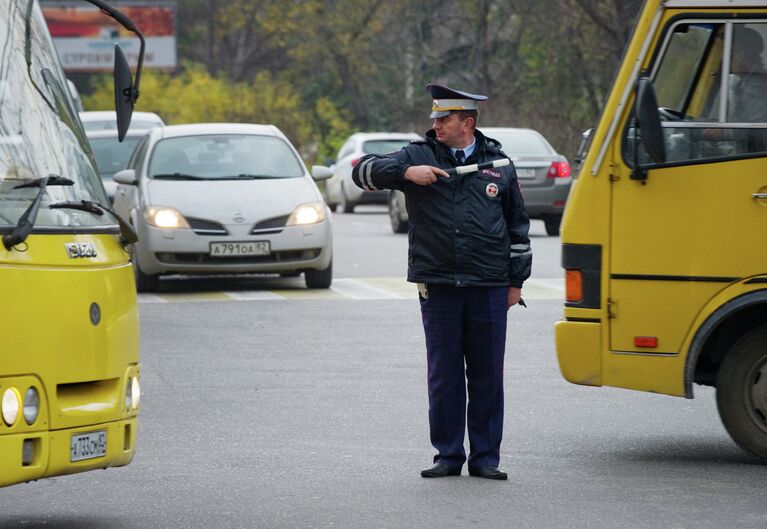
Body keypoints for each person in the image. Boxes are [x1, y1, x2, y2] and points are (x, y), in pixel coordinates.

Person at [352, 84, 532, 480]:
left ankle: (485, 457)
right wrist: (405, 173)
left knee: (487, 373)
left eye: (443, 119)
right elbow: (361, 171)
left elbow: (518, 227)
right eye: (434, 118)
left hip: (488, 284)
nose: (435, 125)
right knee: (444, 373)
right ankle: (448, 454)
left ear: (467, 123)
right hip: (438, 284)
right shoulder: (417, 154)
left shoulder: (498, 162)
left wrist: (516, 282)